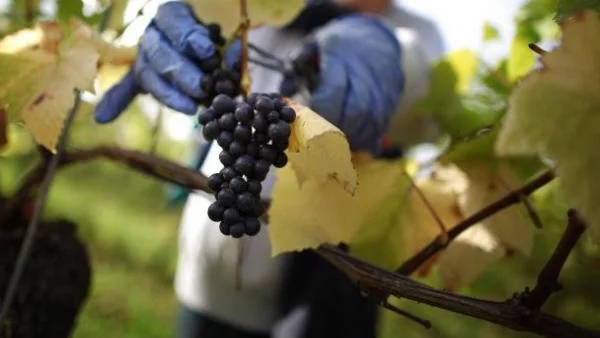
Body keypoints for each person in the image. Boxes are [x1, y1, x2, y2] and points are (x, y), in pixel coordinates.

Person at [94, 1, 443, 337]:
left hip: (316, 307)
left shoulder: (419, 32)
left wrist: (393, 53)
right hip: (202, 282)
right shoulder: (271, 6)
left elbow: (426, 108)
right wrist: (195, 18)